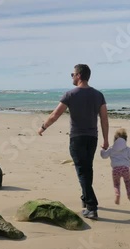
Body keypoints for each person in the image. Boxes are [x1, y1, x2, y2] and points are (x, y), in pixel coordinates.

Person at [37, 64, 109, 220]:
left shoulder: (70, 94)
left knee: (82, 172)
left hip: (77, 138)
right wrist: (106, 139)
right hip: (92, 138)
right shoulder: (98, 95)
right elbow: (104, 118)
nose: (71, 76)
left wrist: (43, 127)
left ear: (79, 76)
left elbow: (55, 115)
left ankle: (92, 207)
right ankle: (85, 198)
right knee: (87, 169)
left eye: (72, 74)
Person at [100, 128, 130, 205]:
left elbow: (104, 156)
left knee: (116, 184)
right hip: (125, 169)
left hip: (115, 169)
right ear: (125, 140)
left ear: (115, 139)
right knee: (127, 182)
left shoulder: (111, 149)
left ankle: (117, 194)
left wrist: (103, 149)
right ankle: (129, 195)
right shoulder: (127, 149)